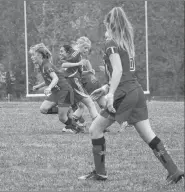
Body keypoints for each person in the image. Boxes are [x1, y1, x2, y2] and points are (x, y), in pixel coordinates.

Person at [78, 7, 184, 183]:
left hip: (123, 94)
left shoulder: (111, 44)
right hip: (136, 91)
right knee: (147, 134)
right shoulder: (125, 43)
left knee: (95, 129)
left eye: (105, 24)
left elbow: (119, 71)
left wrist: (111, 94)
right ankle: (174, 170)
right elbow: (124, 73)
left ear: (109, 24)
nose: (104, 29)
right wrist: (105, 88)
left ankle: (100, 173)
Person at [29, 43, 83, 133]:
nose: (31, 57)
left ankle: (77, 127)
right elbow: (48, 80)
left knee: (62, 118)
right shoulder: (42, 65)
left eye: (33, 55)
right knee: (43, 109)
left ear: (40, 56)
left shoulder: (47, 65)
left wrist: (49, 88)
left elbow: (55, 78)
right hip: (57, 92)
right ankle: (67, 110)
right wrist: (38, 86)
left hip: (65, 91)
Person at [59, 45, 99, 132]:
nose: (87, 50)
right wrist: (78, 63)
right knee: (90, 103)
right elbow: (64, 64)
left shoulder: (79, 57)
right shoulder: (76, 54)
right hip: (73, 82)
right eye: (85, 47)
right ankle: (98, 126)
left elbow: (75, 71)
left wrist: (88, 71)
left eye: (88, 48)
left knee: (81, 106)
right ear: (79, 46)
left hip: (71, 83)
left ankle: (71, 126)